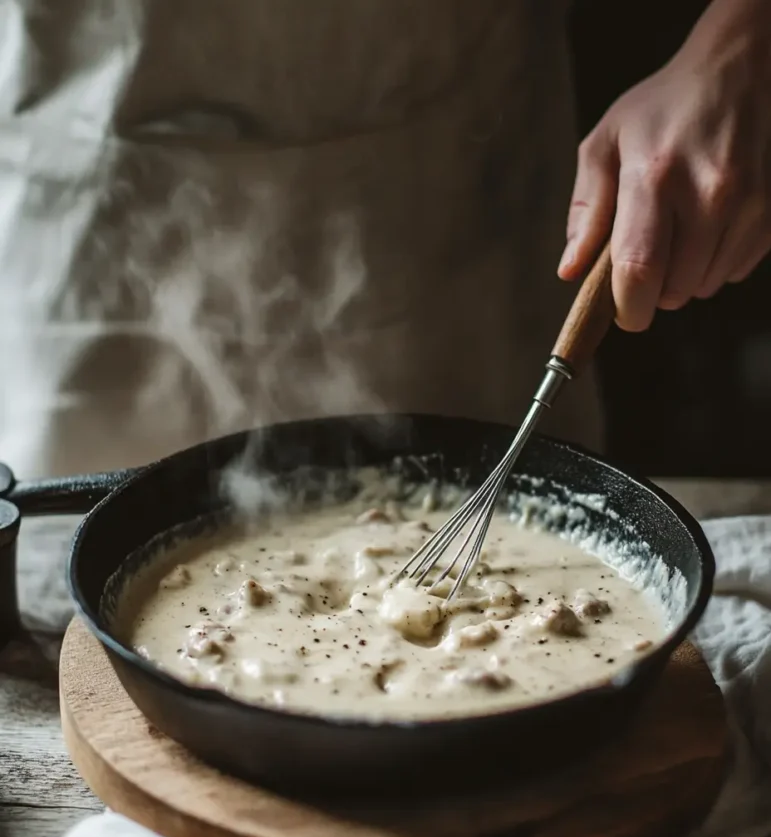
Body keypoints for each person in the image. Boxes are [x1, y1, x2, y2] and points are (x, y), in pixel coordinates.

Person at [0, 0, 768, 479]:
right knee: (66, 582)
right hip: (90, 183)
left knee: (502, 483)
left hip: (444, 171)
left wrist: (744, 38)